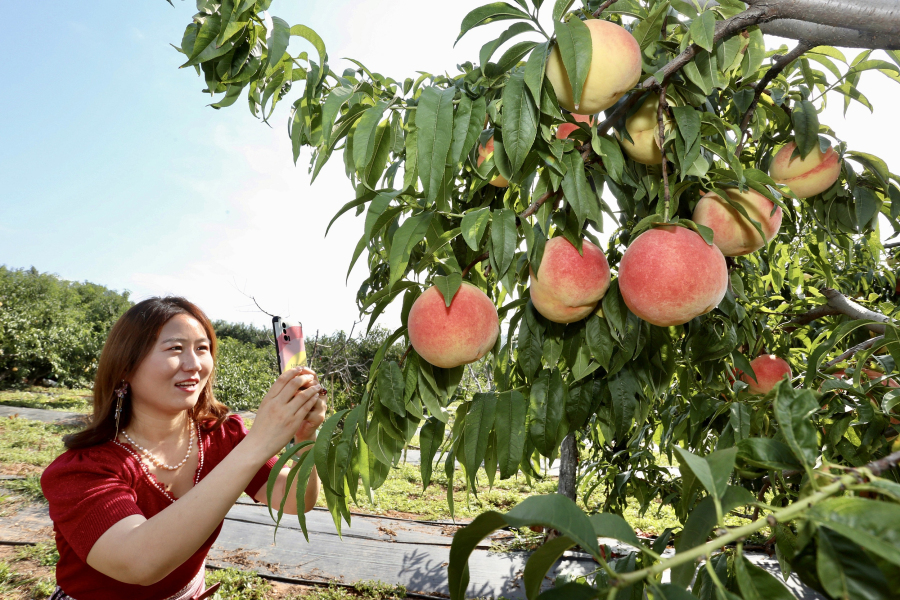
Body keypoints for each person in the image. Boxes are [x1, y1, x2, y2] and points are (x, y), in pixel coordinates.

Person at [40, 297, 327, 600]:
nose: (194, 365)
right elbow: (139, 563)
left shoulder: (220, 436)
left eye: (202, 348)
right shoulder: (81, 471)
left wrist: (306, 436)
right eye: (175, 349)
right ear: (125, 365)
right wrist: (259, 443)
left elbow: (294, 500)